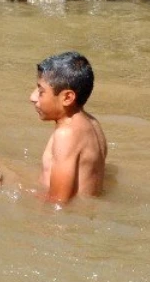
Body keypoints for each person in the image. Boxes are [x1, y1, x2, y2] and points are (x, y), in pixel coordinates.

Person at [30, 51, 107, 204]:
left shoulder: (66, 135)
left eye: (41, 91)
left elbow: (58, 203)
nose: (32, 97)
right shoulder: (92, 123)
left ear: (67, 98)